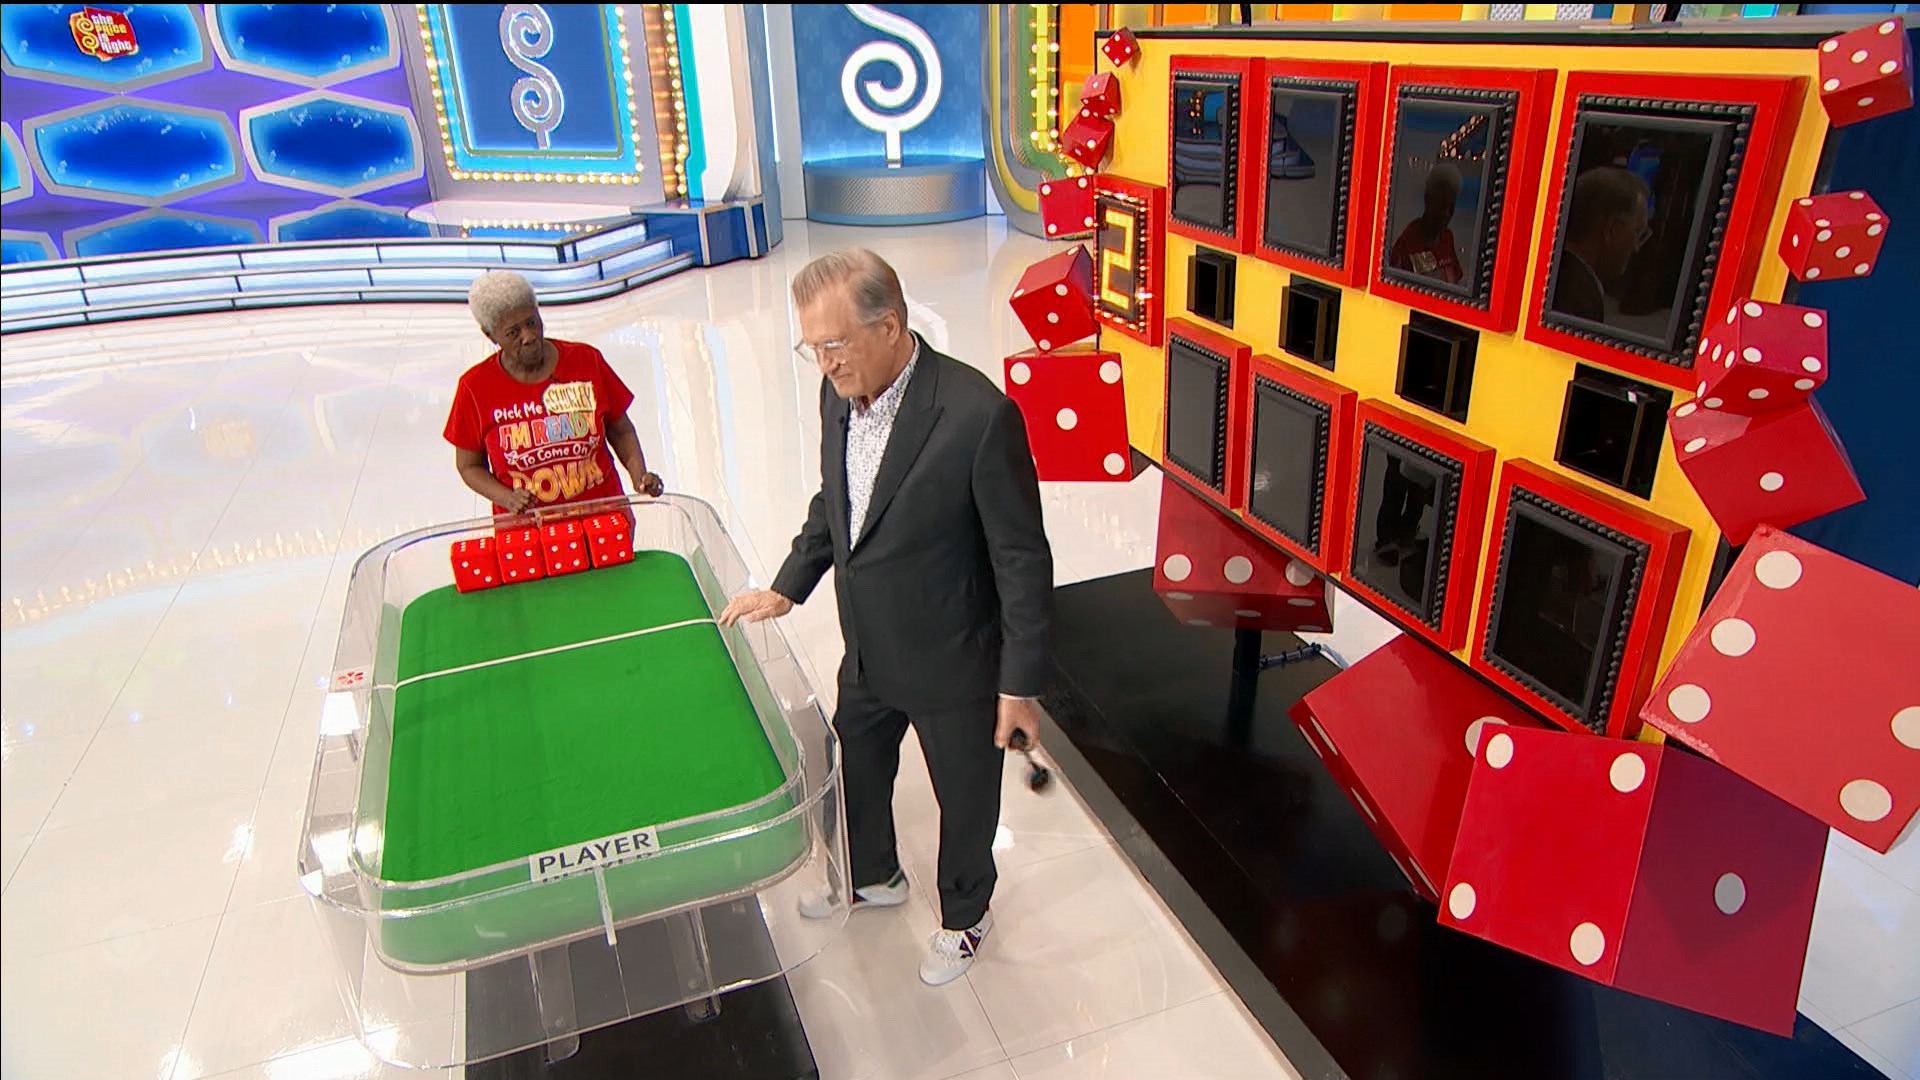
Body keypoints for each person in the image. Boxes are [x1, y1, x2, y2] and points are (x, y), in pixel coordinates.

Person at [718, 249, 1053, 987]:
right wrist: (788, 586)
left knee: (964, 799)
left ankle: (966, 917)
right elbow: (836, 504)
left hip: (953, 661)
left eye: (834, 344)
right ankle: (873, 877)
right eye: (811, 347)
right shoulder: (838, 393)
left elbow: (1022, 561)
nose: (824, 364)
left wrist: (1020, 683)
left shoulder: (977, 416)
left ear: (891, 326)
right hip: (868, 649)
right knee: (855, 768)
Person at [444, 270, 663, 516]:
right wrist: (507, 497)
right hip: (526, 529)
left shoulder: (586, 360)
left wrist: (639, 475)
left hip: (604, 516)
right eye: (513, 333)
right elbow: (468, 466)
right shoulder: (474, 387)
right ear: (490, 335)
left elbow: (621, 430)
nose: (528, 337)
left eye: (532, 322)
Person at [1552, 166, 1652, 324]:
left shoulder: (1553, 274)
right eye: (1637, 233)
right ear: (1612, 229)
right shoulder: (1581, 301)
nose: (1636, 248)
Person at [1388, 163, 1465, 285]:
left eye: (1451, 207)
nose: (1446, 214)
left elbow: (1457, 280)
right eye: (1441, 205)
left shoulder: (1447, 237)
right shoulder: (1407, 242)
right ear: (1428, 200)